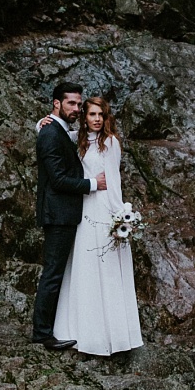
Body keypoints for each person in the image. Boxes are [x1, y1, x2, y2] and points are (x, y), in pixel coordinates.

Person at [53, 95, 142, 356]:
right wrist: (42, 123)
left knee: (107, 269)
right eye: (91, 114)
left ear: (106, 118)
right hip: (85, 208)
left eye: (100, 115)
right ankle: (83, 332)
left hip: (103, 208)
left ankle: (112, 336)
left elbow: (114, 182)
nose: (96, 119)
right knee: (84, 268)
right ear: (85, 117)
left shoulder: (110, 142)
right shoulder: (79, 140)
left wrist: (120, 217)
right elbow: (57, 134)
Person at [32, 82, 107, 351]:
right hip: (58, 214)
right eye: (71, 104)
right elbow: (59, 179)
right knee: (52, 273)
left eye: (78, 103)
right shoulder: (51, 133)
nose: (76, 108)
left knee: (54, 272)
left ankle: (48, 328)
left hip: (63, 213)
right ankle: (42, 334)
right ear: (56, 104)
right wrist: (92, 184)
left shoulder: (57, 130)